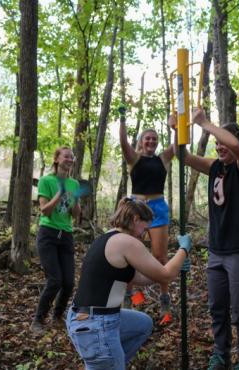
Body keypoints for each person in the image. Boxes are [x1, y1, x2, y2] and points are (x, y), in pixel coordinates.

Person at [170, 108, 239, 370]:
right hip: (217, 249)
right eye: (217, 143)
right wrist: (178, 131)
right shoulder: (215, 167)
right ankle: (220, 355)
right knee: (217, 307)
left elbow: (233, 143)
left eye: (224, 142)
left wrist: (205, 123)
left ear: (238, 145)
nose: (221, 147)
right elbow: (183, 157)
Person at [66, 197, 191, 370]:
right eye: (145, 228)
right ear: (135, 220)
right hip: (96, 325)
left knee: (143, 324)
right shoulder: (126, 242)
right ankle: (108, 360)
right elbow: (165, 276)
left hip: (89, 320)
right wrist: (183, 249)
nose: (144, 235)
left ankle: (111, 361)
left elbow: (145, 278)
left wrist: (176, 266)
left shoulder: (110, 238)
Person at [118, 105, 175, 323]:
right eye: (147, 139)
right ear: (141, 142)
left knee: (160, 257)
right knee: (130, 256)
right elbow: (123, 144)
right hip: (136, 208)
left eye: (154, 139)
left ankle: (164, 299)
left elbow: (178, 144)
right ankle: (131, 296)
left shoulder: (163, 159)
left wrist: (176, 125)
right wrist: (123, 120)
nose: (151, 142)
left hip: (158, 207)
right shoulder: (134, 159)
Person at [30, 146, 82, 334]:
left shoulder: (74, 184)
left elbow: (75, 215)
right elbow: (44, 210)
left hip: (66, 235)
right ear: (57, 159)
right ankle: (37, 320)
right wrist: (60, 193)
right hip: (48, 235)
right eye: (66, 156)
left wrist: (75, 200)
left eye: (72, 157)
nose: (70, 159)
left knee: (68, 282)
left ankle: (57, 317)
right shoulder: (46, 181)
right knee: (55, 280)